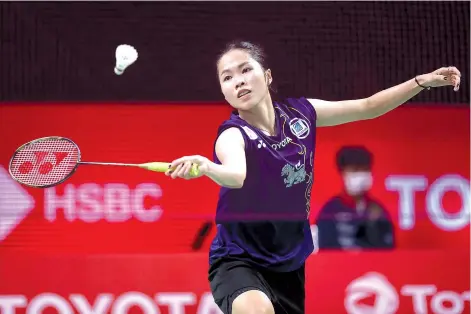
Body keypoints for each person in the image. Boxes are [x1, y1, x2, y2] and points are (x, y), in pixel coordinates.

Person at [165, 41, 461, 314]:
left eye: (245, 69)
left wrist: (422, 82)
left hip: (289, 262)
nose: (238, 80)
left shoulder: (301, 115)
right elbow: (235, 175)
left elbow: (367, 107)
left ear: (267, 76)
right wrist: (207, 168)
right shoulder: (233, 135)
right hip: (238, 258)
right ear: (224, 91)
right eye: (227, 77)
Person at [316, 145, 395, 250]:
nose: (360, 175)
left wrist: (373, 225)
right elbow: (325, 248)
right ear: (343, 173)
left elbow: (388, 249)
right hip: (340, 265)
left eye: (365, 170)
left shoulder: (378, 210)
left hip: (371, 266)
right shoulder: (330, 210)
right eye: (355, 170)